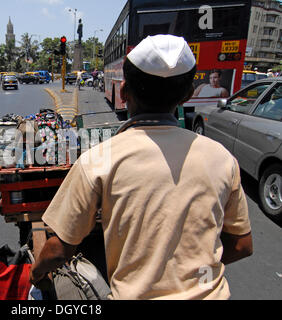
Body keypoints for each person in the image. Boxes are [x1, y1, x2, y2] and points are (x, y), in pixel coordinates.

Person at [30, 34, 253, 300]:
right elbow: (241, 245)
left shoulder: (99, 159)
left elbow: (58, 251)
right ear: (188, 94)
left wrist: (36, 275)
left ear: (124, 92)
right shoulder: (222, 158)